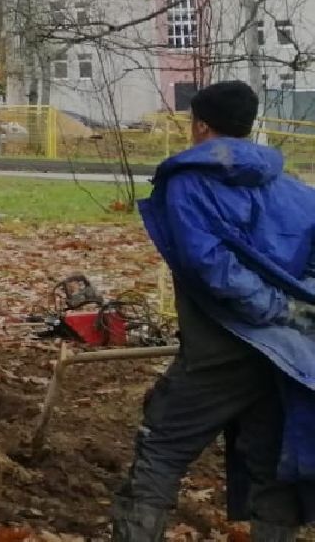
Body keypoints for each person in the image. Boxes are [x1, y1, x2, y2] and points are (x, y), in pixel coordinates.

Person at [111, 80, 315, 542]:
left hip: (224, 348)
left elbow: (211, 267)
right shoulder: (290, 188)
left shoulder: (189, 183)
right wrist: (298, 309)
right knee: (269, 463)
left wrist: (272, 307)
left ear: (200, 126)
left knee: (162, 444)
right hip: (286, 354)